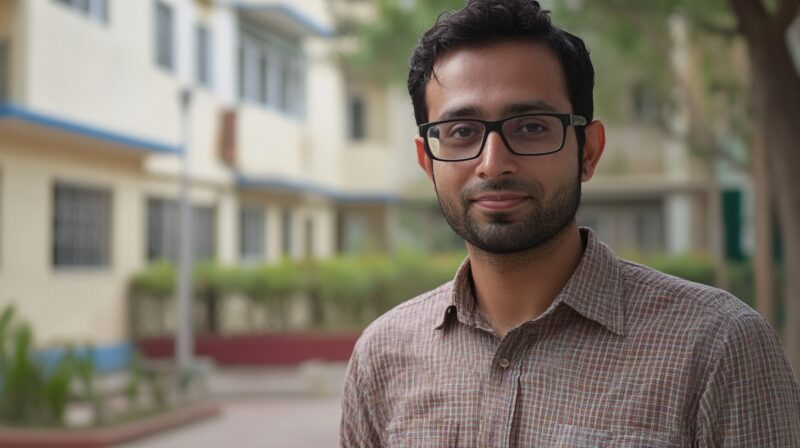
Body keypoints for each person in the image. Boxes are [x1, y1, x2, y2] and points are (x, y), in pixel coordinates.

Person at [340, 0, 800, 446]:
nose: (493, 163)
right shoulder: (383, 357)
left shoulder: (718, 347)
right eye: (462, 132)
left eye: (531, 127)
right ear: (428, 162)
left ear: (588, 151)